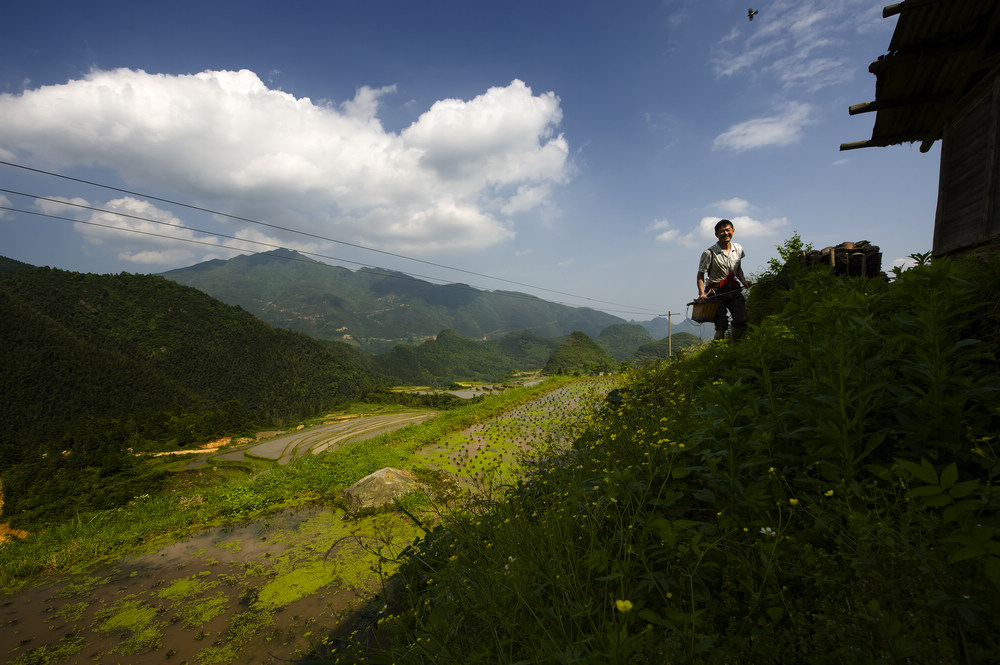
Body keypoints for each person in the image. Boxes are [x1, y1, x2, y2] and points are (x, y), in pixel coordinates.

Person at [696, 219, 751, 341]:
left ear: (733, 231)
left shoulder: (738, 248)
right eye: (722, 231)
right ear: (716, 234)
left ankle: (735, 345)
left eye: (728, 230)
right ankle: (717, 352)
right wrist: (702, 294)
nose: (725, 233)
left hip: (733, 289)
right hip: (715, 292)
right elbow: (700, 275)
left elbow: (738, 268)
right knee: (721, 325)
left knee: (741, 319)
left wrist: (744, 282)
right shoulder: (709, 253)